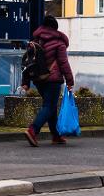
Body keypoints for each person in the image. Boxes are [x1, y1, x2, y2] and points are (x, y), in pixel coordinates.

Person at [21, 15, 74, 147]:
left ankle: (56, 135)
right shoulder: (59, 43)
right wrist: (70, 81)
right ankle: (33, 130)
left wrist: (26, 82)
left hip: (38, 80)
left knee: (50, 106)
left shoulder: (35, 41)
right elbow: (63, 63)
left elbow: (27, 63)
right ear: (55, 28)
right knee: (49, 106)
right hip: (53, 79)